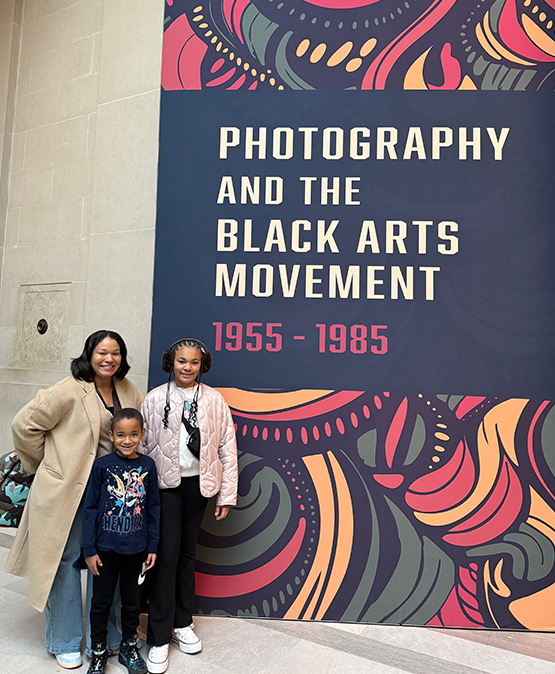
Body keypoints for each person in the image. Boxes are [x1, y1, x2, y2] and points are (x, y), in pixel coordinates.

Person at [5, 330, 144, 669]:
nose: (108, 359)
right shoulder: (68, 389)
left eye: (115, 353)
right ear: (89, 355)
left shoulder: (129, 390)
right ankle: (64, 640)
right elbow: (24, 425)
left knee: (108, 562)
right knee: (65, 562)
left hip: (111, 496)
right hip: (69, 493)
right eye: (101, 352)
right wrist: (46, 464)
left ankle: (107, 638)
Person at [140, 338, 238, 674]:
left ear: (202, 364)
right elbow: (142, 447)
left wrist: (226, 495)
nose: (187, 367)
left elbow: (227, 447)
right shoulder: (154, 398)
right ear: (171, 362)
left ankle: (182, 623)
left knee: (187, 554)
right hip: (164, 488)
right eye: (181, 361)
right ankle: (158, 636)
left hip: (200, 486)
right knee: (165, 556)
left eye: (194, 362)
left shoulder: (214, 399)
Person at [83, 408, 160, 674]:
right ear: (111, 436)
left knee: (132, 602)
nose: (127, 440)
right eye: (121, 435)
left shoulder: (148, 466)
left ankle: (129, 647)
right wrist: (89, 549)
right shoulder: (102, 466)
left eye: (133, 434)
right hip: (104, 550)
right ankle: (99, 652)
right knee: (101, 603)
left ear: (142, 434)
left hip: (137, 551)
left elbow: (153, 508)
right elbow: (90, 508)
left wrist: (152, 546)